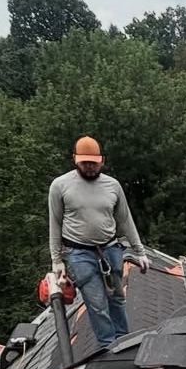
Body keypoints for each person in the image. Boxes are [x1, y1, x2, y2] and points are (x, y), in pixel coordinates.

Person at [48, 136, 149, 347]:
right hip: (79, 253)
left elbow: (125, 219)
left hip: (111, 250)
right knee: (97, 304)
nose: (90, 167)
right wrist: (57, 260)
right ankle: (108, 347)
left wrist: (139, 251)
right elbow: (55, 223)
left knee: (117, 299)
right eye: (84, 162)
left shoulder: (112, 185)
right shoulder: (60, 186)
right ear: (75, 160)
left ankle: (125, 342)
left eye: (93, 163)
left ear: (102, 160)